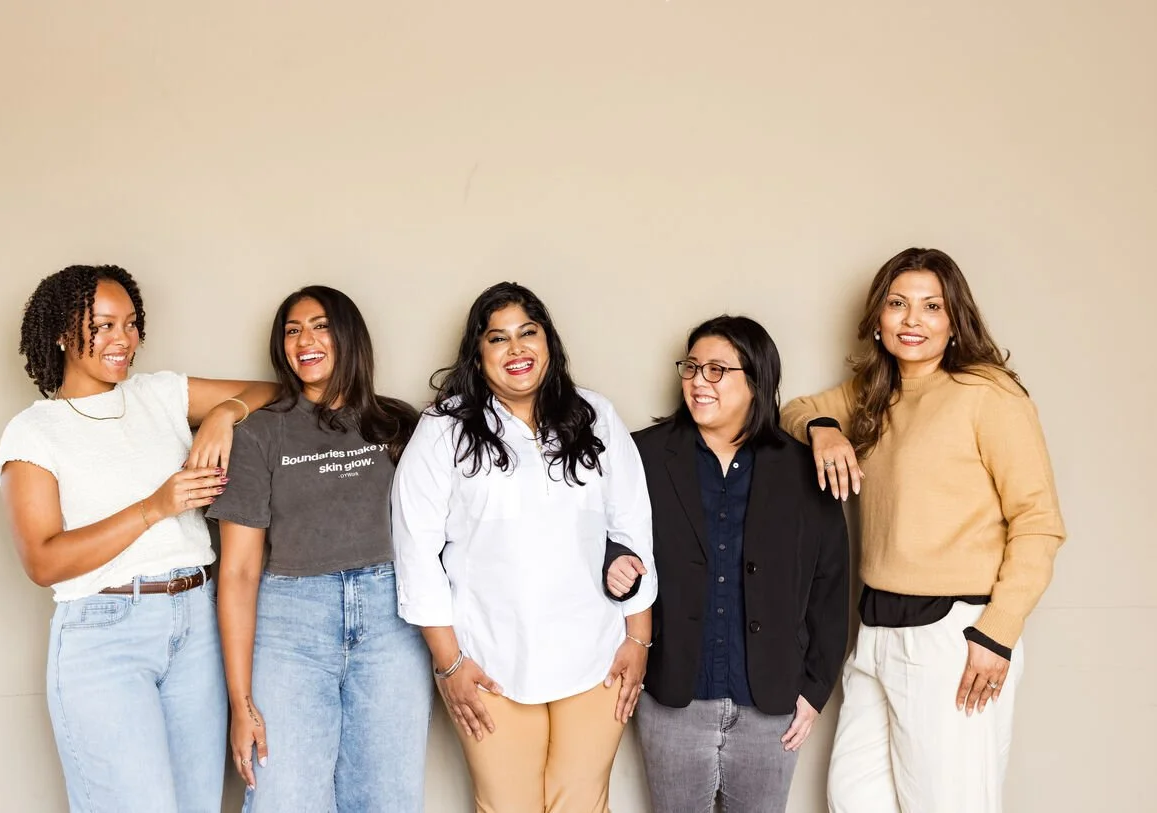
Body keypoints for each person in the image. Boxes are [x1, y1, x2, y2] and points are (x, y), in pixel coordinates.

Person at [780, 247, 1066, 812]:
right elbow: (795, 408)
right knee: (852, 799)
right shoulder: (874, 393)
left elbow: (1039, 522)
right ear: (878, 319)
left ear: (955, 319)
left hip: (955, 637)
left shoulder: (989, 394)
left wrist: (997, 634)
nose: (913, 320)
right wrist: (824, 429)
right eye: (898, 304)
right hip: (875, 632)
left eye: (932, 306)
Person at [0, 264, 278, 813]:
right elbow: (43, 561)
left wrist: (224, 412)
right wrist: (155, 507)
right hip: (104, 637)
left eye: (130, 323)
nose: (122, 340)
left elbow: (269, 389)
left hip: (196, 623)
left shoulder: (160, 394)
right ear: (59, 332)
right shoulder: (34, 431)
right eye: (101, 326)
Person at [391, 281, 658, 813]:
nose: (516, 349)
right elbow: (415, 548)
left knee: (582, 805)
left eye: (527, 333)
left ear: (548, 342)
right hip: (488, 660)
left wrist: (639, 640)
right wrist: (450, 664)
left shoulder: (595, 415)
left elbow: (633, 525)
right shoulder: (444, 428)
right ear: (478, 353)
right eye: (498, 338)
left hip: (596, 655)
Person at [605, 315, 849, 813]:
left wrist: (815, 690)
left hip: (772, 703)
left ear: (756, 379)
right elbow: (600, 534)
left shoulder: (805, 469)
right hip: (673, 693)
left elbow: (831, 584)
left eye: (717, 370)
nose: (698, 381)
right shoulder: (641, 456)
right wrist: (613, 563)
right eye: (692, 367)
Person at [208, 285, 432, 812]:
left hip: (392, 622)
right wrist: (242, 705)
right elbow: (238, 573)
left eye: (320, 326)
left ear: (348, 336)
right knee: (284, 799)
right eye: (292, 330)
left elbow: (442, 540)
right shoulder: (261, 433)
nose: (304, 340)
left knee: (387, 798)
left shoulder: (398, 425)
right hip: (291, 624)